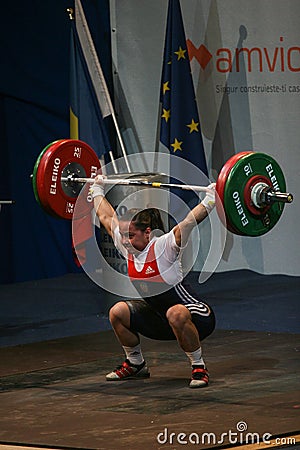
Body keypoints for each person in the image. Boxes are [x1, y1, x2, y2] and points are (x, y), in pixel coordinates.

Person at [90, 176, 216, 388]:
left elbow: (188, 223)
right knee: (117, 312)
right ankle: (135, 364)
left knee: (175, 312)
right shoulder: (126, 245)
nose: (125, 240)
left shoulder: (163, 246)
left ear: (147, 233)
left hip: (196, 316)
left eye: (130, 235)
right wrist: (97, 189)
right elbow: (105, 215)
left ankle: (199, 367)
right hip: (161, 319)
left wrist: (210, 200)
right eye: (124, 235)